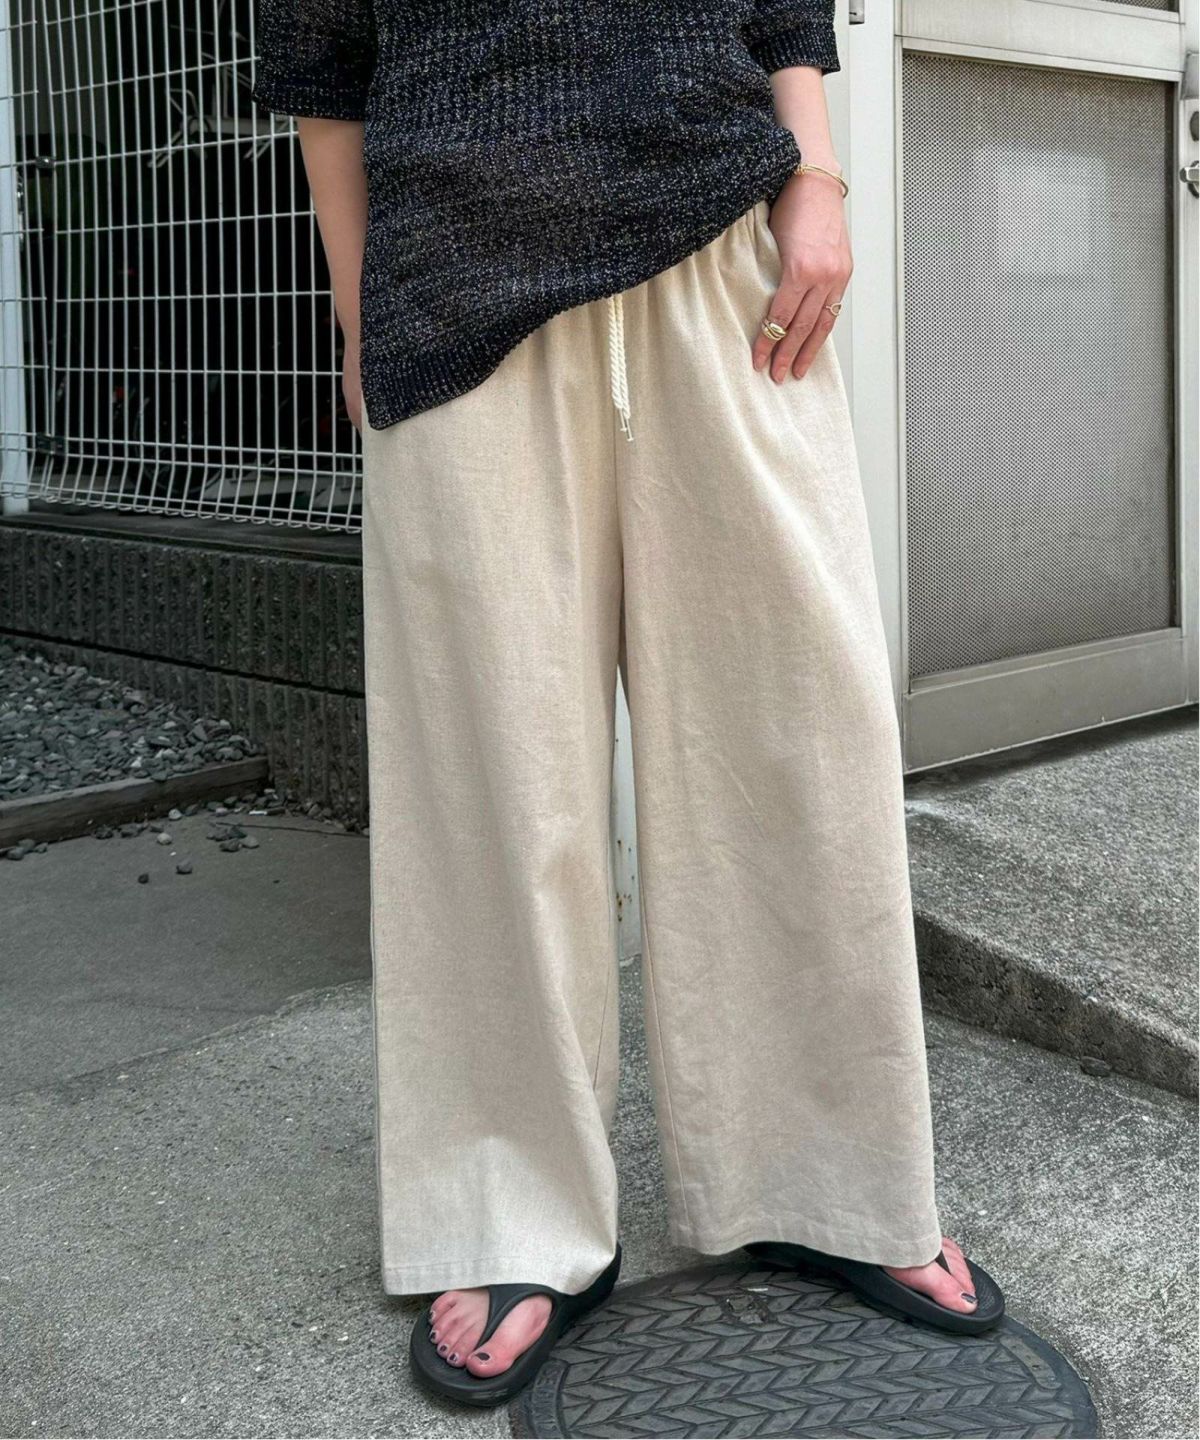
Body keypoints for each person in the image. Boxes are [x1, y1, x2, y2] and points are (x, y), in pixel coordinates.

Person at [251, 0, 1005, 1407]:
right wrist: (360, 306)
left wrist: (816, 180)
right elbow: (321, 63)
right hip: (454, 289)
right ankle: (508, 1207)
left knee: (798, 728)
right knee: (494, 768)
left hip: (723, 258)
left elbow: (783, 9)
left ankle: (832, 1177)